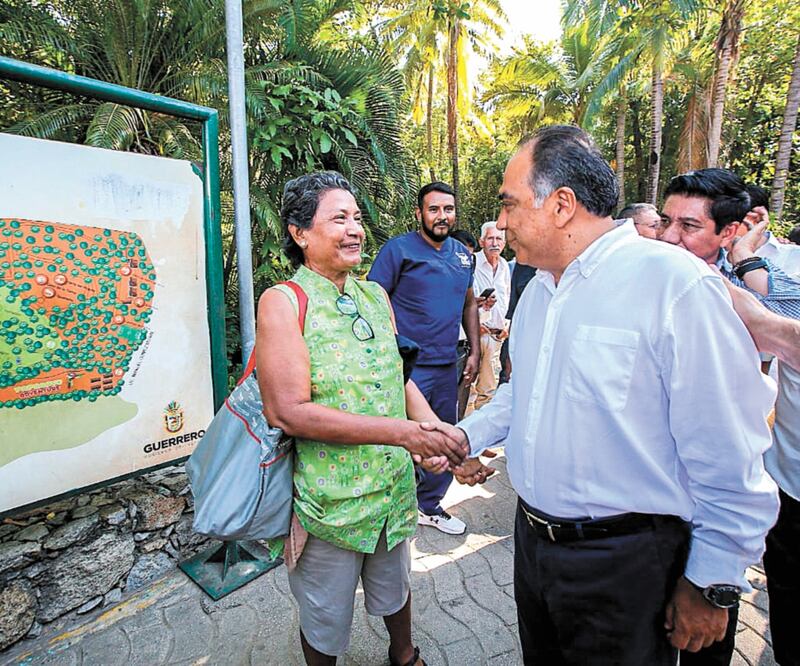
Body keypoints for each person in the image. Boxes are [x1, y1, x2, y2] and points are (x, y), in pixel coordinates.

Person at [428, 126, 779, 665]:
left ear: (561, 205)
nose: (501, 223)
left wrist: (713, 579)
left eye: (510, 205)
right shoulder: (542, 289)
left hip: (627, 563)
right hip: (533, 546)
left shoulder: (672, 284)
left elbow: (728, 448)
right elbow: (525, 392)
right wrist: (463, 433)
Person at [256, 172, 466, 666]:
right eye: (338, 219)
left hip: (392, 490)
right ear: (300, 232)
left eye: (356, 217)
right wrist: (406, 434)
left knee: (396, 588)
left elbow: (400, 378)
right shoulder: (283, 302)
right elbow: (288, 411)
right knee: (325, 616)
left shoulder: (374, 295)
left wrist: (432, 432)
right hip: (333, 502)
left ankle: (405, 656)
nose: (354, 229)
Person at [368, 183, 480, 535]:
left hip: (448, 365)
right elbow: (374, 298)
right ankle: (388, 508)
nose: (441, 216)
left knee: (444, 437)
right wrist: (385, 351)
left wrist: (475, 350)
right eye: (433, 209)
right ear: (419, 213)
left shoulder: (464, 256)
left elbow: (469, 303)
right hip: (406, 368)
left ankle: (429, 506)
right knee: (400, 438)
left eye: (448, 209)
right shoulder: (398, 250)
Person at [471, 221, 511, 410]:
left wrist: (506, 326)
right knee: (467, 386)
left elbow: (508, 298)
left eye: (499, 239)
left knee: (488, 389)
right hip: (473, 335)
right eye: (490, 238)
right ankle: (459, 431)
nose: (495, 243)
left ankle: (478, 436)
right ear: (481, 241)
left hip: (495, 337)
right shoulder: (471, 262)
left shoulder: (505, 267)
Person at [450, 228, 479, 420]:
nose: (465, 260)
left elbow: (469, 305)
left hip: (462, 347)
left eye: (469, 256)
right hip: (438, 351)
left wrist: (474, 352)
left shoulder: (467, 275)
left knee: (460, 399)